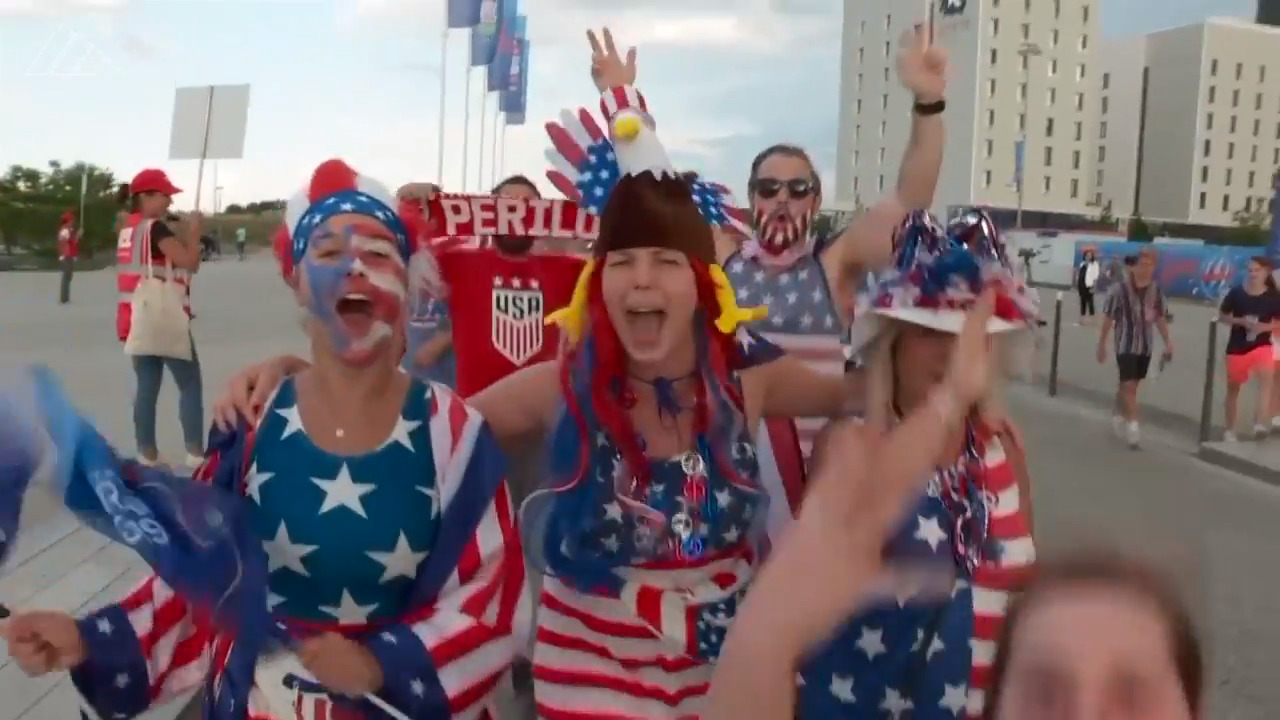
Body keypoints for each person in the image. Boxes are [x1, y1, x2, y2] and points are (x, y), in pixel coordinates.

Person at [212, 30, 865, 715]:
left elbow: (872, 393)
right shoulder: (567, 383)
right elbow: (420, 423)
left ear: (703, 285)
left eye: (668, 263)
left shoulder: (746, 380)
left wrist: (942, 366)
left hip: (726, 676)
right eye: (622, 262)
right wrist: (308, 376)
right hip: (592, 677)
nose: (643, 279)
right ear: (597, 283)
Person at [2, 158, 523, 720]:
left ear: (405, 282)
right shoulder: (249, 425)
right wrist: (90, 641)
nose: (354, 268)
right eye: (327, 253)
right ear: (295, 280)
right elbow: (197, 579)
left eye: (377, 254)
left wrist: (378, 666)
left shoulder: (457, 434)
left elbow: (491, 602)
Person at [794, 210, 1036, 719]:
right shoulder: (849, 449)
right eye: (930, 331)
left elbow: (1024, 606)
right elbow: (805, 608)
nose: (950, 354)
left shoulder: (1003, 452)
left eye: (968, 334)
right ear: (893, 338)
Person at [396, 175, 586, 398]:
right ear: (488, 212)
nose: (517, 214)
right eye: (508, 204)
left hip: (545, 416)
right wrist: (410, 199)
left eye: (528, 205)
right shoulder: (457, 261)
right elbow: (401, 247)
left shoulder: (568, 269)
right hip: (477, 415)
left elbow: (615, 260)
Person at [115, 169, 206, 467]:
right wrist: (194, 234)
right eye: (164, 194)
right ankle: (194, 454)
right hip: (162, 315)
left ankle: (147, 454)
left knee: (147, 385)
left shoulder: (129, 229)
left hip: (134, 317)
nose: (169, 200)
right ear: (145, 196)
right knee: (189, 384)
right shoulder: (155, 229)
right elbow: (189, 262)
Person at [1097, 246, 1172, 450]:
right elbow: (1108, 318)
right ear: (1135, 265)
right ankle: (1133, 427)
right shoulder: (1119, 290)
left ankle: (1119, 412)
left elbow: (1160, 318)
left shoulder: (1156, 292)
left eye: (1150, 265)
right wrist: (1102, 344)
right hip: (1125, 344)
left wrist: (1168, 342)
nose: (1146, 268)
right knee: (1129, 386)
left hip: (1145, 346)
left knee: (1130, 386)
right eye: (1143, 264)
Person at [1218, 256, 1280, 441]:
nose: (1253, 274)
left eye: (1257, 270)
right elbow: (1222, 315)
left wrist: (1264, 327)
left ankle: (1259, 423)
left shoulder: (1274, 296)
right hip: (1237, 346)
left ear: (1266, 272)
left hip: (1261, 345)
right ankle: (1229, 429)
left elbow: (1278, 321)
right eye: (1250, 270)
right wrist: (1241, 321)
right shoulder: (1237, 293)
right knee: (1233, 389)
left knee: (1266, 381)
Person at [56, 210, 79, 304]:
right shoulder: (65, 230)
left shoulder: (69, 230)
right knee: (66, 276)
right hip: (67, 255)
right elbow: (64, 242)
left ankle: (65, 298)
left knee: (68, 276)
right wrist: (64, 254)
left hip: (69, 255)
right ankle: (64, 299)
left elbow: (72, 242)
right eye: (71, 220)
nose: (73, 221)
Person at [1075, 248, 1100, 324]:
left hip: (1089, 284)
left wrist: (1094, 285)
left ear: (1092, 256)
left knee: (1090, 302)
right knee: (1082, 302)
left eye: (1089, 255)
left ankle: (1093, 320)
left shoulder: (1094, 264)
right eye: (1086, 255)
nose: (1088, 256)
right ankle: (1081, 320)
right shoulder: (1082, 263)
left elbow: (1096, 275)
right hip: (1081, 284)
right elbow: (1080, 273)